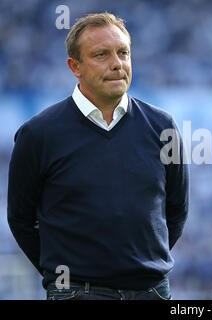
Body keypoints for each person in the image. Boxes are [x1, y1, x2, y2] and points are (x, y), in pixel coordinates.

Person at [7, 12, 189, 300]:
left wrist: (142, 266)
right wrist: (64, 274)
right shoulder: (38, 134)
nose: (117, 64)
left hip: (152, 291)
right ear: (75, 66)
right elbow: (21, 220)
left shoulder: (163, 126)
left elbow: (176, 210)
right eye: (101, 55)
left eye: (123, 53)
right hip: (78, 293)